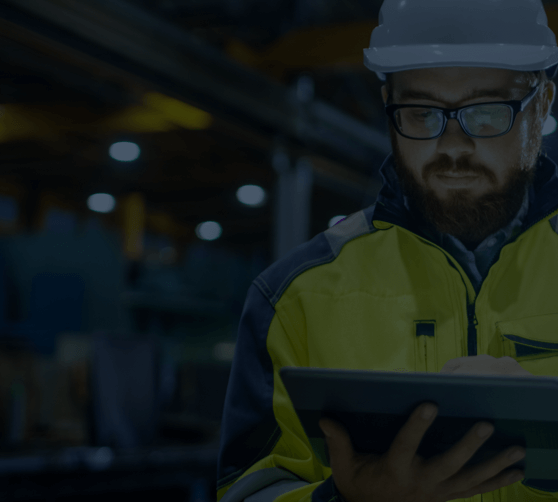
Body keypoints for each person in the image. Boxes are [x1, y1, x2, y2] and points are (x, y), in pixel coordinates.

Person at [216, 0, 558, 501]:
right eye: (421, 113)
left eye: (487, 112)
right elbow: (245, 490)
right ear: (387, 104)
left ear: (543, 104)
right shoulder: (294, 297)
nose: (454, 145)